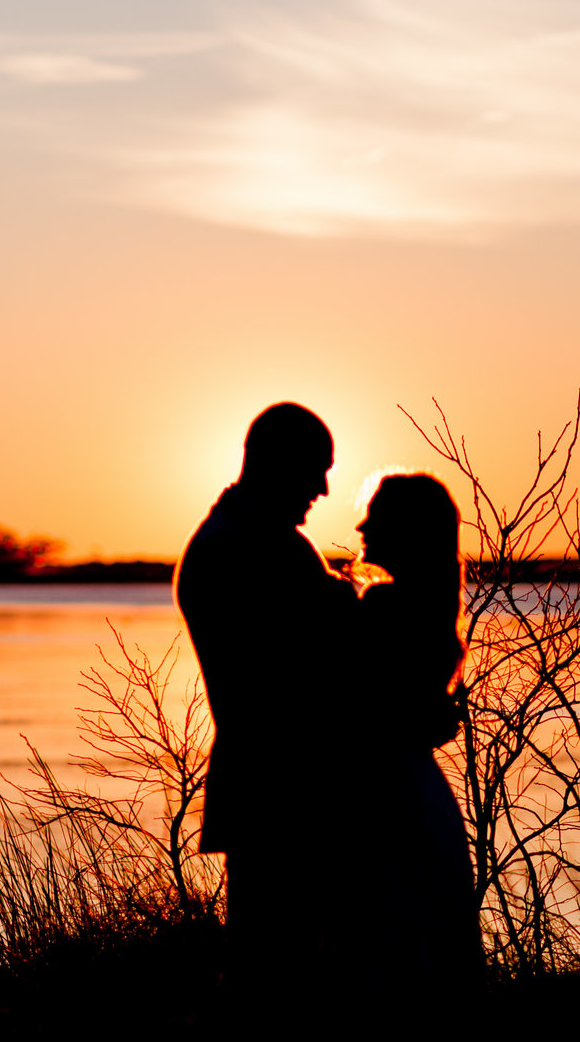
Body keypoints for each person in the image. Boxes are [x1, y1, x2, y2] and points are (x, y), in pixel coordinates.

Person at [174, 403, 355, 993]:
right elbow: (301, 674)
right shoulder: (237, 547)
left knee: (294, 969)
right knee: (277, 975)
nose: (324, 489)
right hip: (277, 790)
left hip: (288, 790)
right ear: (276, 462)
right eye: (316, 470)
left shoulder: (269, 541)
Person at [344, 473, 481, 995]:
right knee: (429, 941)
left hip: (386, 794)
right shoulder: (432, 609)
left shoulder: (385, 610)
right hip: (420, 791)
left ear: (406, 529)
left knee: (387, 943)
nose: (360, 525)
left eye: (374, 515)